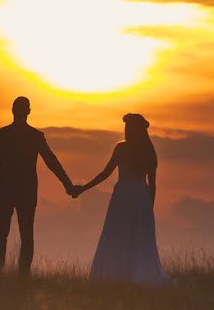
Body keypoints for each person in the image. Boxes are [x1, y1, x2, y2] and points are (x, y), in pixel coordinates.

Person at [71, 113, 170, 286]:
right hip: (140, 197)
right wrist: (149, 206)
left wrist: (82, 188)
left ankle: (115, 273)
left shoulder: (121, 148)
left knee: (117, 234)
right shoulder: (148, 151)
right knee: (138, 236)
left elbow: (105, 174)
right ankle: (137, 274)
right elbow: (152, 184)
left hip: (123, 196)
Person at [0, 96, 74, 277]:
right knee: (26, 234)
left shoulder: (1, 135)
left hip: (4, 190)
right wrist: (68, 184)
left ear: (12, 110)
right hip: (26, 192)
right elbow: (52, 161)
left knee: (1, 234)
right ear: (29, 112)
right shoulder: (35, 136)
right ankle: (23, 275)